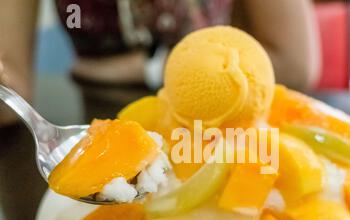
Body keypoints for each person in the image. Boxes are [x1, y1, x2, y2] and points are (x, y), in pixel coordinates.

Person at [0, 0, 321, 127]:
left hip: (219, 130)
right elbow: (12, 94)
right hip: (99, 132)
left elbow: (295, 64)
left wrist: (146, 67)